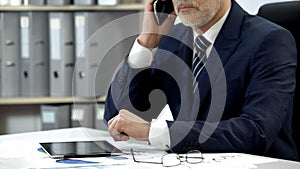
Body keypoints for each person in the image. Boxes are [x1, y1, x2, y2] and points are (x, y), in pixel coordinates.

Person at [104, 0, 298, 161]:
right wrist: (147, 42)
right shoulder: (172, 38)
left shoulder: (270, 40)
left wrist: (153, 131)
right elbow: (117, 116)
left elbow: (256, 131)